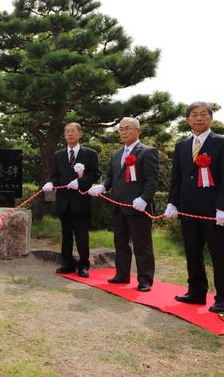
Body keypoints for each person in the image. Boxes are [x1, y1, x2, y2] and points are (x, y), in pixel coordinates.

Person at [165, 102, 224, 313]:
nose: (199, 118)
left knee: (220, 254)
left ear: (210, 118)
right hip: (188, 208)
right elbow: (177, 177)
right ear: (188, 120)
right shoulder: (181, 145)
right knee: (192, 251)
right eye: (194, 115)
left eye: (203, 114)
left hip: (215, 211)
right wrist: (173, 202)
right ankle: (196, 292)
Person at [89, 117, 158, 292]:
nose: (123, 132)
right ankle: (122, 274)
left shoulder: (147, 152)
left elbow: (152, 179)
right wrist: (103, 186)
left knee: (142, 244)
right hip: (118, 205)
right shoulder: (116, 153)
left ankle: (145, 280)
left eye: (127, 128)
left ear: (138, 131)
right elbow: (112, 177)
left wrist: (145, 199)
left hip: (137, 206)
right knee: (120, 243)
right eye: (121, 129)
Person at [42, 123, 101, 277]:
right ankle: (67, 263)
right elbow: (55, 175)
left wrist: (80, 182)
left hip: (81, 200)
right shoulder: (58, 155)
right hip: (63, 201)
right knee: (66, 234)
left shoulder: (90, 154)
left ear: (80, 134)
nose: (70, 134)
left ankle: (83, 265)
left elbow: (95, 174)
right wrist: (51, 183)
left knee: (82, 235)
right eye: (67, 131)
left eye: (73, 131)